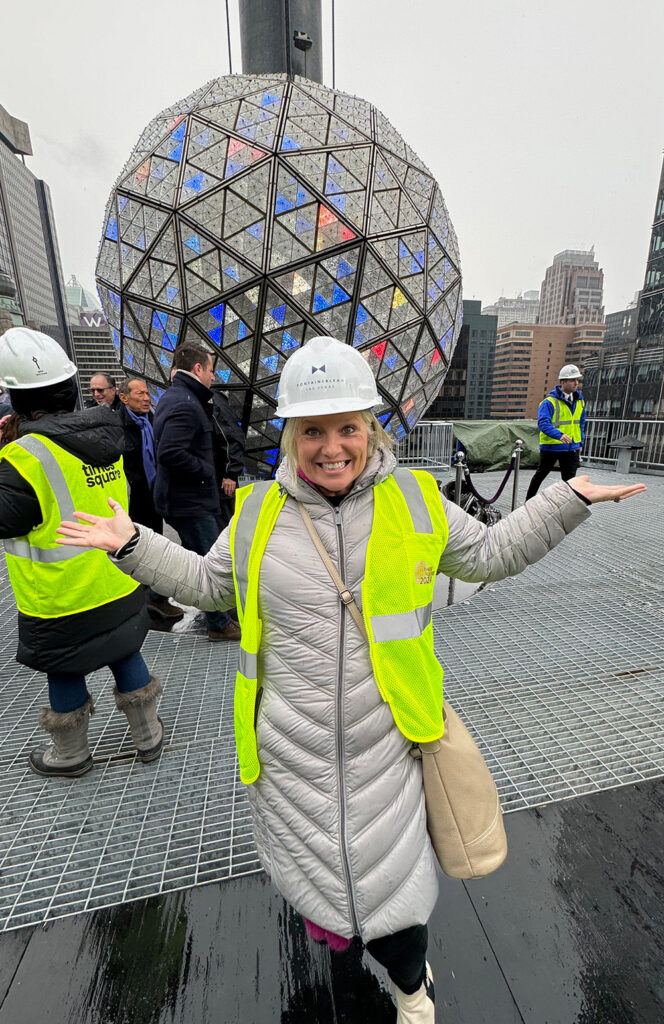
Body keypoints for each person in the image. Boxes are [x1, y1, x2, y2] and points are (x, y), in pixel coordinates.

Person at [57, 336, 645, 1023]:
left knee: (396, 905)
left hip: (389, 742)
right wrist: (132, 544)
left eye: (348, 428)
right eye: (314, 430)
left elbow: (490, 553)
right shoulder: (255, 514)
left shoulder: (415, 500)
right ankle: (354, 968)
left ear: (370, 429)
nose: (332, 447)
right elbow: (205, 582)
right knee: (323, 904)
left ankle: (410, 990)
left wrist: (565, 501)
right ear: (290, 436)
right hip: (289, 751)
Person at [0, 327, 164, 778]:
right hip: (116, 578)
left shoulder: (22, 458)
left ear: (15, 400)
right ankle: (148, 736)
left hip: (61, 597)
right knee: (126, 651)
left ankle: (70, 755)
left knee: (65, 670)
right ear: (72, 388)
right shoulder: (106, 438)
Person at [152, 344, 240, 642]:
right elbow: (170, 452)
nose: (214, 377)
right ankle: (218, 623)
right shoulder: (186, 403)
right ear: (198, 369)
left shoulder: (175, 396)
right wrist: (207, 471)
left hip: (180, 499)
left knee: (189, 555)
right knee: (211, 563)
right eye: (212, 369)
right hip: (191, 501)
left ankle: (154, 595)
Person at [116, 377, 183, 623]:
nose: (146, 398)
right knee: (135, 550)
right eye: (140, 394)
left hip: (153, 495)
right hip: (132, 501)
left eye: (147, 393)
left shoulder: (152, 421)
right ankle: (141, 603)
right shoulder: (116, 426)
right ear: (124, 398)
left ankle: (154, 599)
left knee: (154, 545)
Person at [525, 364, 585, 500]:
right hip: (551, 446)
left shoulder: (580, 402)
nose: (576, 383)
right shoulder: (549, 402)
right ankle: (528, 501)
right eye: (572, 380)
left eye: (577, 380)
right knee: (541, 474)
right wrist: (559, 435)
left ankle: (565, 507)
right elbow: (543, 423)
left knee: (569, 481)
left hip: (571, 447)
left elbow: (580, 424)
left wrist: (580, 442)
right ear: (563, 382)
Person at [211, 386, 246, 530]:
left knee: (224, 526)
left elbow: (233, 436)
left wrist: (231, 473)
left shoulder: (211, 399)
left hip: (222, 480)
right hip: (212, 480)